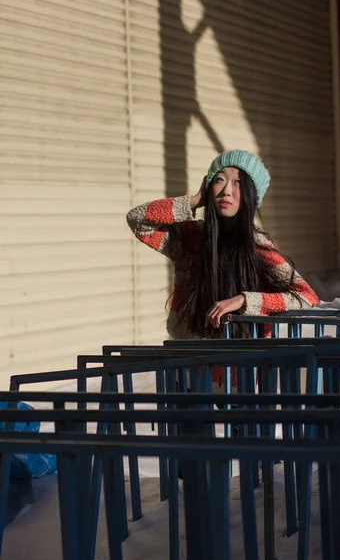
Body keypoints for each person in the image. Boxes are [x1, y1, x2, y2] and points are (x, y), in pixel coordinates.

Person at [126, 150, 318, 390]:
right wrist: (195, 200)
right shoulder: (191, 238)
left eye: (238, 182)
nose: (227, 190)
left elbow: (305, 296)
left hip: (240, 369)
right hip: (188, 363)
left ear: (250, 195)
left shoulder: (257, 247)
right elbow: (138, 220)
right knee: (189, 427)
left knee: (241, 428)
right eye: (219, 179)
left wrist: (243, 300)